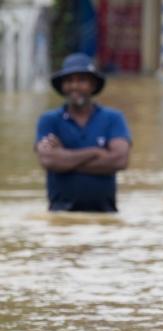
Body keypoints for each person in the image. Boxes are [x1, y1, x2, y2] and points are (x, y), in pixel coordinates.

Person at [34, 52, 131, 212]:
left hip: (105, 216)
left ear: (93, 85)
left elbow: (120, 160)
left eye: (81, 80)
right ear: (62, 86)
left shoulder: (113, 118)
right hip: (61, 217)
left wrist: (64, 157)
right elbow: (48, 160)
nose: (75, 86)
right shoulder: (49, 120)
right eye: (69, 81)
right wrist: (96, 152)